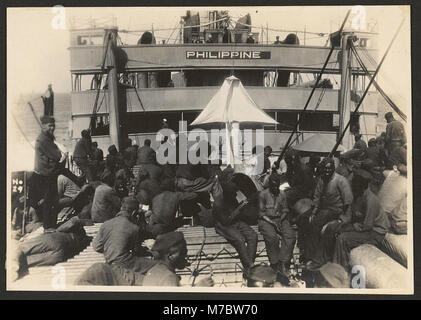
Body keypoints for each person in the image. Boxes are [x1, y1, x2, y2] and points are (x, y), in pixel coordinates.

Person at [332, 170, 390, 270]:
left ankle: (341, 269)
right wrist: (342, 222)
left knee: (343, 238)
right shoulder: (358, 195)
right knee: (336, 230)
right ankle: (335, 262)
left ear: (363, 188)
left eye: (356, 189)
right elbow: (351, 216)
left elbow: (368, 225)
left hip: (375, 232)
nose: (353, 191)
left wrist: (353, 226)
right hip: (363, 226)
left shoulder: (371, 200)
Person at [304, 157, 353, 270]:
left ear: (333, 168)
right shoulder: (322, 179)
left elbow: (348, 202)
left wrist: (343, 219)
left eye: (329, 169)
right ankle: (308, 255)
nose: (327, 171)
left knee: (317, 224)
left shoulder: (341, 181)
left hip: (337, 210)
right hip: (324, 209)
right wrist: (314, 211)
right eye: (325, 169)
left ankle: (318, 259)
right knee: (306, 220)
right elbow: (317, 196)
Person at [92, 197, 150, 274]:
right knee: (156, 264)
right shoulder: (134, 228)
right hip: (125, 264)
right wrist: (149, 251)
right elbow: (137, 251)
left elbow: (96, 247)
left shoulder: (105, 224)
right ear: (134, 213)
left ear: (121, 209)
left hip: (109, 262)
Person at [212, 180, 258, 274]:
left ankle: (248, 266)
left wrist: (244, 208)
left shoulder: (232, 198)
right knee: (240, 239)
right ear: (226, 193)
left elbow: (238, 215)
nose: (235, 195)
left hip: (236, 222)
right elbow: (226, 221)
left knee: (253, 236)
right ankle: (250, 266)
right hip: (223, 225)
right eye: (233, 193)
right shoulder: (218, 203)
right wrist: (239, 209)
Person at [33, 115, 67, 233]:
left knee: (51, 199)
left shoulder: (45, 137)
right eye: (50, 126)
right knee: (50, 200)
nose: (52, 128)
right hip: (46, 174)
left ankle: (50, 225)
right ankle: (48, 226)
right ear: (43, 126)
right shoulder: (44, 140)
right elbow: (57, 156)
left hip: (46, 172)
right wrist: (57, 151)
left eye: (53, 125)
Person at [258, 173, 296, 277]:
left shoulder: (282, 194)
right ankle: (274, 264)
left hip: (280, 219)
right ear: (269, 185)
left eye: (277, 186)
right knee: (272, 237)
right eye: (273, 186)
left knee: (290, 236)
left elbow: (285, 210)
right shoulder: (263, 194)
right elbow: (261, 213)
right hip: (266, 220)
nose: (275, 188)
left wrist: (281, 220)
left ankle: (283, 262)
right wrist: (273, 223)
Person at [143, 231, 214, 287]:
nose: (186, 256)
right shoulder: (169, 277)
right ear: (170, 256)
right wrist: (198, 289)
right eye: (183, 253)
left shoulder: (155, 270)